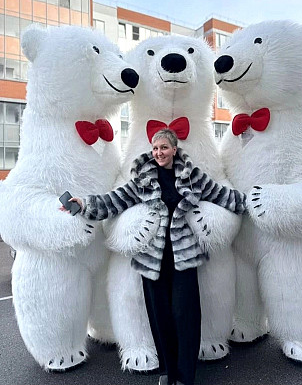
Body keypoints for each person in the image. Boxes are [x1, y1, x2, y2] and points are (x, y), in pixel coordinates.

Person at [61, 128, 246, 385]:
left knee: (186, 316)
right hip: (153, 261)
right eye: (155, 148)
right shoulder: (143, 179)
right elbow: (115, 200)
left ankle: (185, 376)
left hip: (183, 258)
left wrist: (249, 203)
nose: (158, 152)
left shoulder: (191, 176)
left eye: (163, 147)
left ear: (174, 149)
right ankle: (169, 372)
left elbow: (219, 193)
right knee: (160, 318)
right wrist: (84, 205)